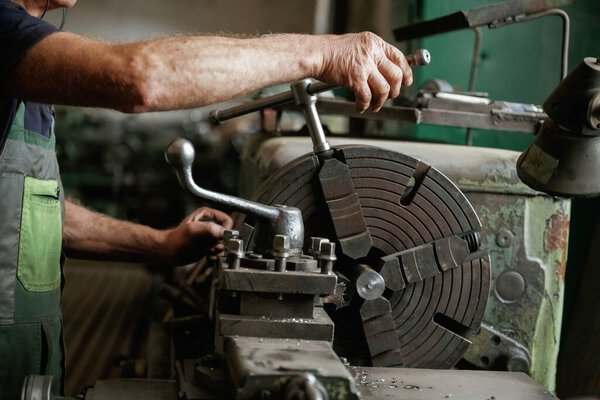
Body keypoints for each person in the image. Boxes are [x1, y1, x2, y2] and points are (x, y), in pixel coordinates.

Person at [0, 0, 413, 397]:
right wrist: (319, 53)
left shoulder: (29, 76)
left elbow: (31, 211)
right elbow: (141, 78)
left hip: (24, 355)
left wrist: (161, 245)